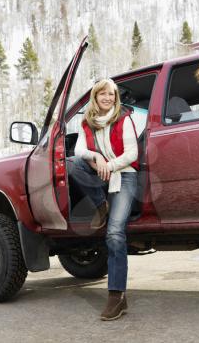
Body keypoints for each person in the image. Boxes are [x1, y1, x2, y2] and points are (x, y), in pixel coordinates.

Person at [67, 78, 139, 321]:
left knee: (114, 234)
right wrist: (96, 156)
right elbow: (78, 151)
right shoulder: (87, 122)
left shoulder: (124, 119)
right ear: (95, 97)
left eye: (111, 94)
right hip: (103, 174)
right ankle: (101, 204)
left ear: (115, 98)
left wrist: (109, 164)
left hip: (124, 175)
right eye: (103, 94)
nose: (108, 98)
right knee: (75, 164)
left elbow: (132, 154)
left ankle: (116, 296)